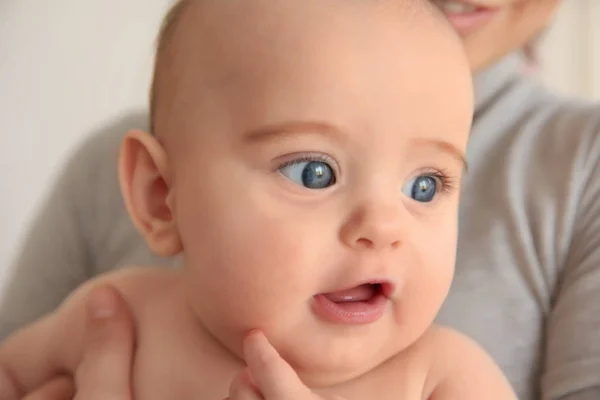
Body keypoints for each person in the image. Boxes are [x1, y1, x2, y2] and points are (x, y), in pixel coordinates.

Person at [1, 0, 599, 399]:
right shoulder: (115, 315)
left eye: (426, 186)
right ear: (161, 197)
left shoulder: (441, 381)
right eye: (315, 172)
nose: (383, 226)